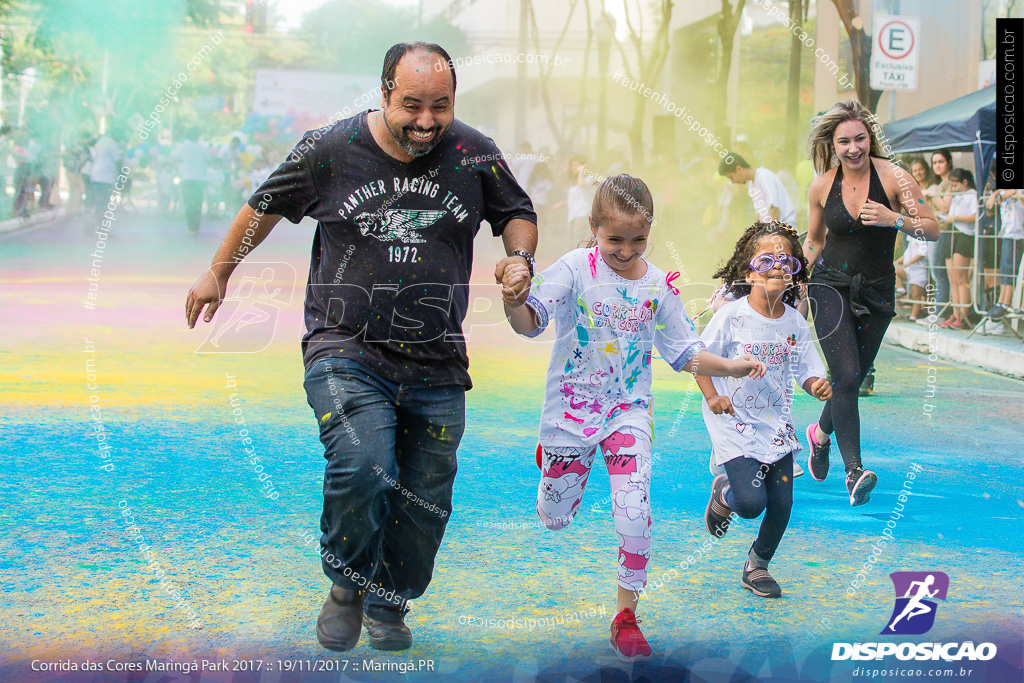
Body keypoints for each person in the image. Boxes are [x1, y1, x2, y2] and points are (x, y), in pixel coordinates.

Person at [185, 41, 538, 653]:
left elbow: (517, 210)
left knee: (426, 501)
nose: (426, 122)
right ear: (383, 95)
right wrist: (221, 270)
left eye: (441, 107)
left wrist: (519, 257)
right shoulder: (332, 149)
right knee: (363, 464)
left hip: (438, 361)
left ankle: (389, 600)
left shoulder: (475, 153)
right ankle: (346, 585)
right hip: (345, 348)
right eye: (411, 106)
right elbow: (264, 206)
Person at [502, 174, 763, 662]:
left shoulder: (657, 287)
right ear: (594, 228)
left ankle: (626, 615)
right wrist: (513, 299)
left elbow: (686, 352)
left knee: (635, 510)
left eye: (637, 239)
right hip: (570, 415)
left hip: (628, 413)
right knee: (554, 517)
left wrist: (729, 366)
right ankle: (553, 466)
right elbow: (529, 324)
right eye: (614, 239)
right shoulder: (575, 269)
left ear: (650, 231)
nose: (625, 250)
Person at [802, 100, 938, 506]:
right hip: (828, 286)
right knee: (844, 376)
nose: (853, 148)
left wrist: (894, 218)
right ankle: (854, 472)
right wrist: (793, 289)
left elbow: (931, 228)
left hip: (876, 290)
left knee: (855, 378)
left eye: (860, 138)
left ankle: (820, 434)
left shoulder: (896, 177)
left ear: (870, 138)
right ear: (833, 143)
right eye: (844, 141)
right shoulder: (822, 185)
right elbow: (814, 241)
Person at [699, 220, 831, 598]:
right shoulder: (732, 316)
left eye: (786, 261)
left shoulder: (794, 322)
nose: (776, 266)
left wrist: (816, 384)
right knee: (751, 503)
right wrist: (713, 396)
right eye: (765, 260)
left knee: (782, 502)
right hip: (733, 421)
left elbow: (806, 367)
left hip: (776, 424)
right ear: (748, 272)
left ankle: (757, 565)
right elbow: (698, 359)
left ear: (794, 274)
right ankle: (725, 493)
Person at [937, 169, 977, 330]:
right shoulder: (956, 195)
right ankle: (955, 313)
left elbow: (975, 216)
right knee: (952, 277)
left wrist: (956, 218)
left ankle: (963, 315)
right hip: (952, 232)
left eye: (955, 185)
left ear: (964, 182)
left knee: (961, 278)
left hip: (964, 235)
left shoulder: (971, 194)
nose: (953, 189)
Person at [719, 153, 798, 229]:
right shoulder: (751, 185)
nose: (733, 182)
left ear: (739, 169)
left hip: (784, 229)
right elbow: (760, 214)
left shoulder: (764, 176)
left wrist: (771, 235)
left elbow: (774, 210)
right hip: (771, 232)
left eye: (731, 177)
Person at [984, 188, 1024, 322]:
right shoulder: (1003, 193)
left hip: (1018, 235)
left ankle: (1006, 302)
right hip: (1007, 234)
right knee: (1005, 268)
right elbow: (991, 204)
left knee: (1010, 269)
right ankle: (1001, 301)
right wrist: (996, 193)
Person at [923, 150, 955, 314]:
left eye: (941, 162)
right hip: (933, 230)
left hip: (944, 231)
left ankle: (941, 312)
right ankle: (940, 311)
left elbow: (945, 207)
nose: (937, 166)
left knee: (939, 272)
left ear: (949, 162)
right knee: (936, 273)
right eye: (934, 163)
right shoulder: (938, 184)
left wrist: (933, 192)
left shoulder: (950, 182)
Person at [173, 126, 210, 234]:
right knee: (197, 203)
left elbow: (176, 159)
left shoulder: (181, 147)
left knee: (188, 203)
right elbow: (208, 161)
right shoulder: (203, 147)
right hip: (199, 179)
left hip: (186, 178)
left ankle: (190, 227)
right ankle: (195, 227)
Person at [894, 234, 929, 322]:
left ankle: (913, 317)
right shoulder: (911, 238)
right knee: (894, 270)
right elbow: (906, 254)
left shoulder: (922, 238)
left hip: (918, 270)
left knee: (916, 295)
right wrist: (897, 262)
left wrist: (907, 263)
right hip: (908, 270)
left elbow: (922, 254)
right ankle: (901, 289)